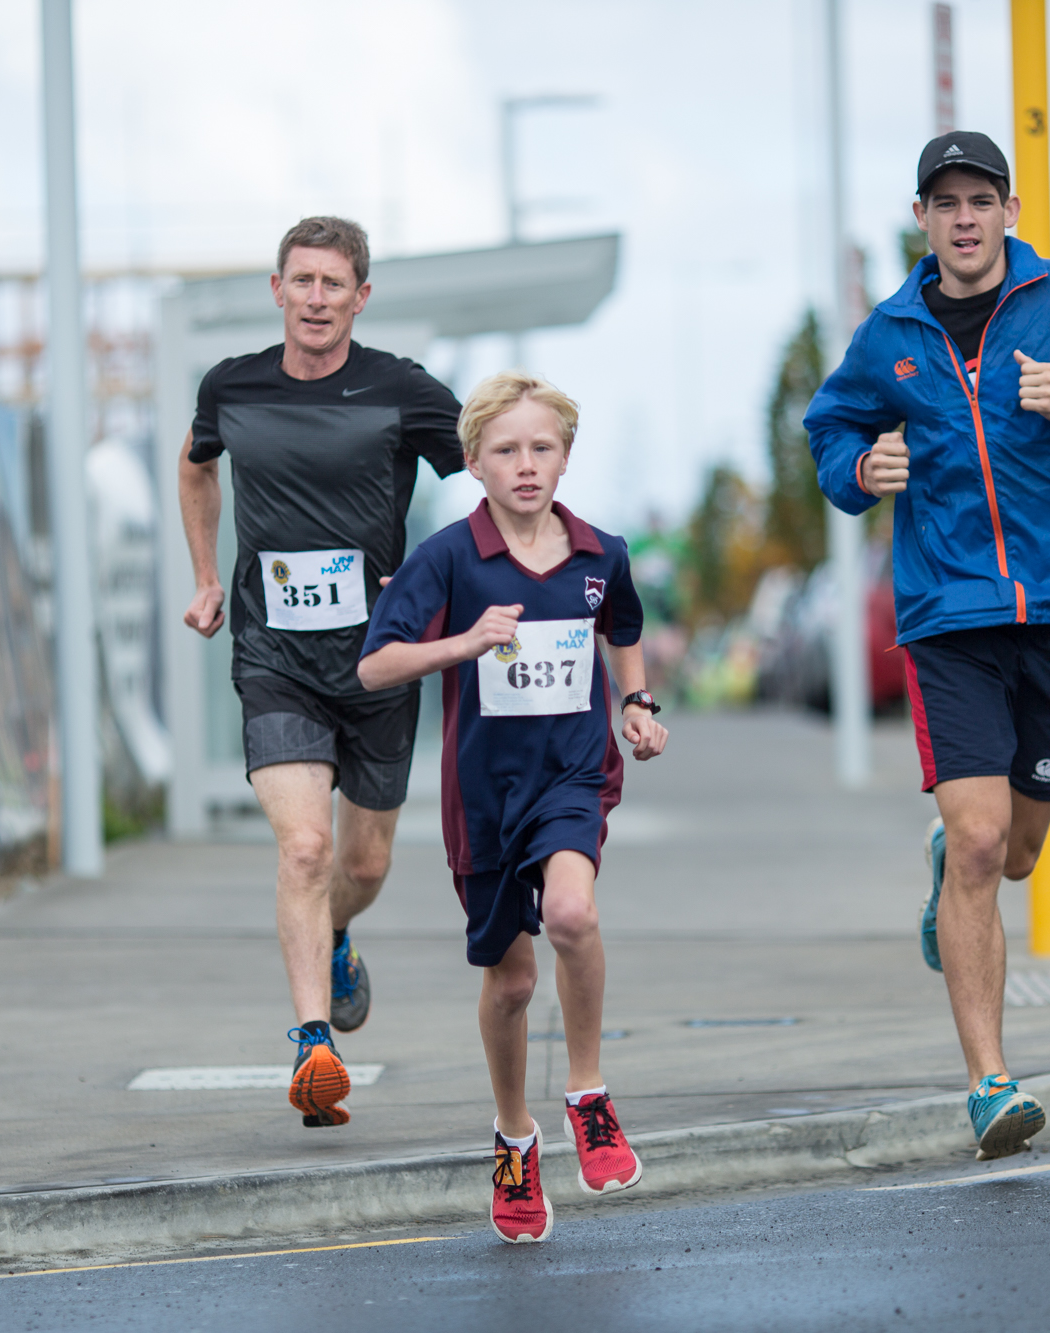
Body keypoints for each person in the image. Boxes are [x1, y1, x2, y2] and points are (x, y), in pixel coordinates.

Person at [804, 131, 1050, 1160]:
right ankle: (988, 1082)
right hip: (947, 620)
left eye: (980, 199)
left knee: (1013, 854)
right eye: (945, 203)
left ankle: (954, 865)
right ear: (922, 219)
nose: (964, 218)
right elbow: (829, 432)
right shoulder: (887, 333)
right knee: (982, 843)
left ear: (1009, 210)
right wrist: (861, 469)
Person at [357, 371, 667, 1243]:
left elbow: (626, 632)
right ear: (475, 463)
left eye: (542, 448)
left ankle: (588, 1093)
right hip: (484, 796)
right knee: (513, 979)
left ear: (566, 456)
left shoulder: (601, 553)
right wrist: (464, 640)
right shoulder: (449, 557)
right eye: (506, 451)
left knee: (572, 911)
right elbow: (376, 665)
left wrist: (637, 708)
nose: (526, 465)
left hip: (572, 776)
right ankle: (514, 1139)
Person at [179, 216, 464, 1129]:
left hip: (381, 656)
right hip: (274, 655)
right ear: (277, 289)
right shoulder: (231, 386)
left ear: (360, 298)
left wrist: (433, 583)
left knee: (363, 861)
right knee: (303, 848)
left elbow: (487, 473)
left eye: (333, 284)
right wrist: (202, 576)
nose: (315, 298)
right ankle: (314, 1043)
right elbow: (197, 471)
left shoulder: (403, 391)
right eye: (300, 281)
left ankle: (340, 934)